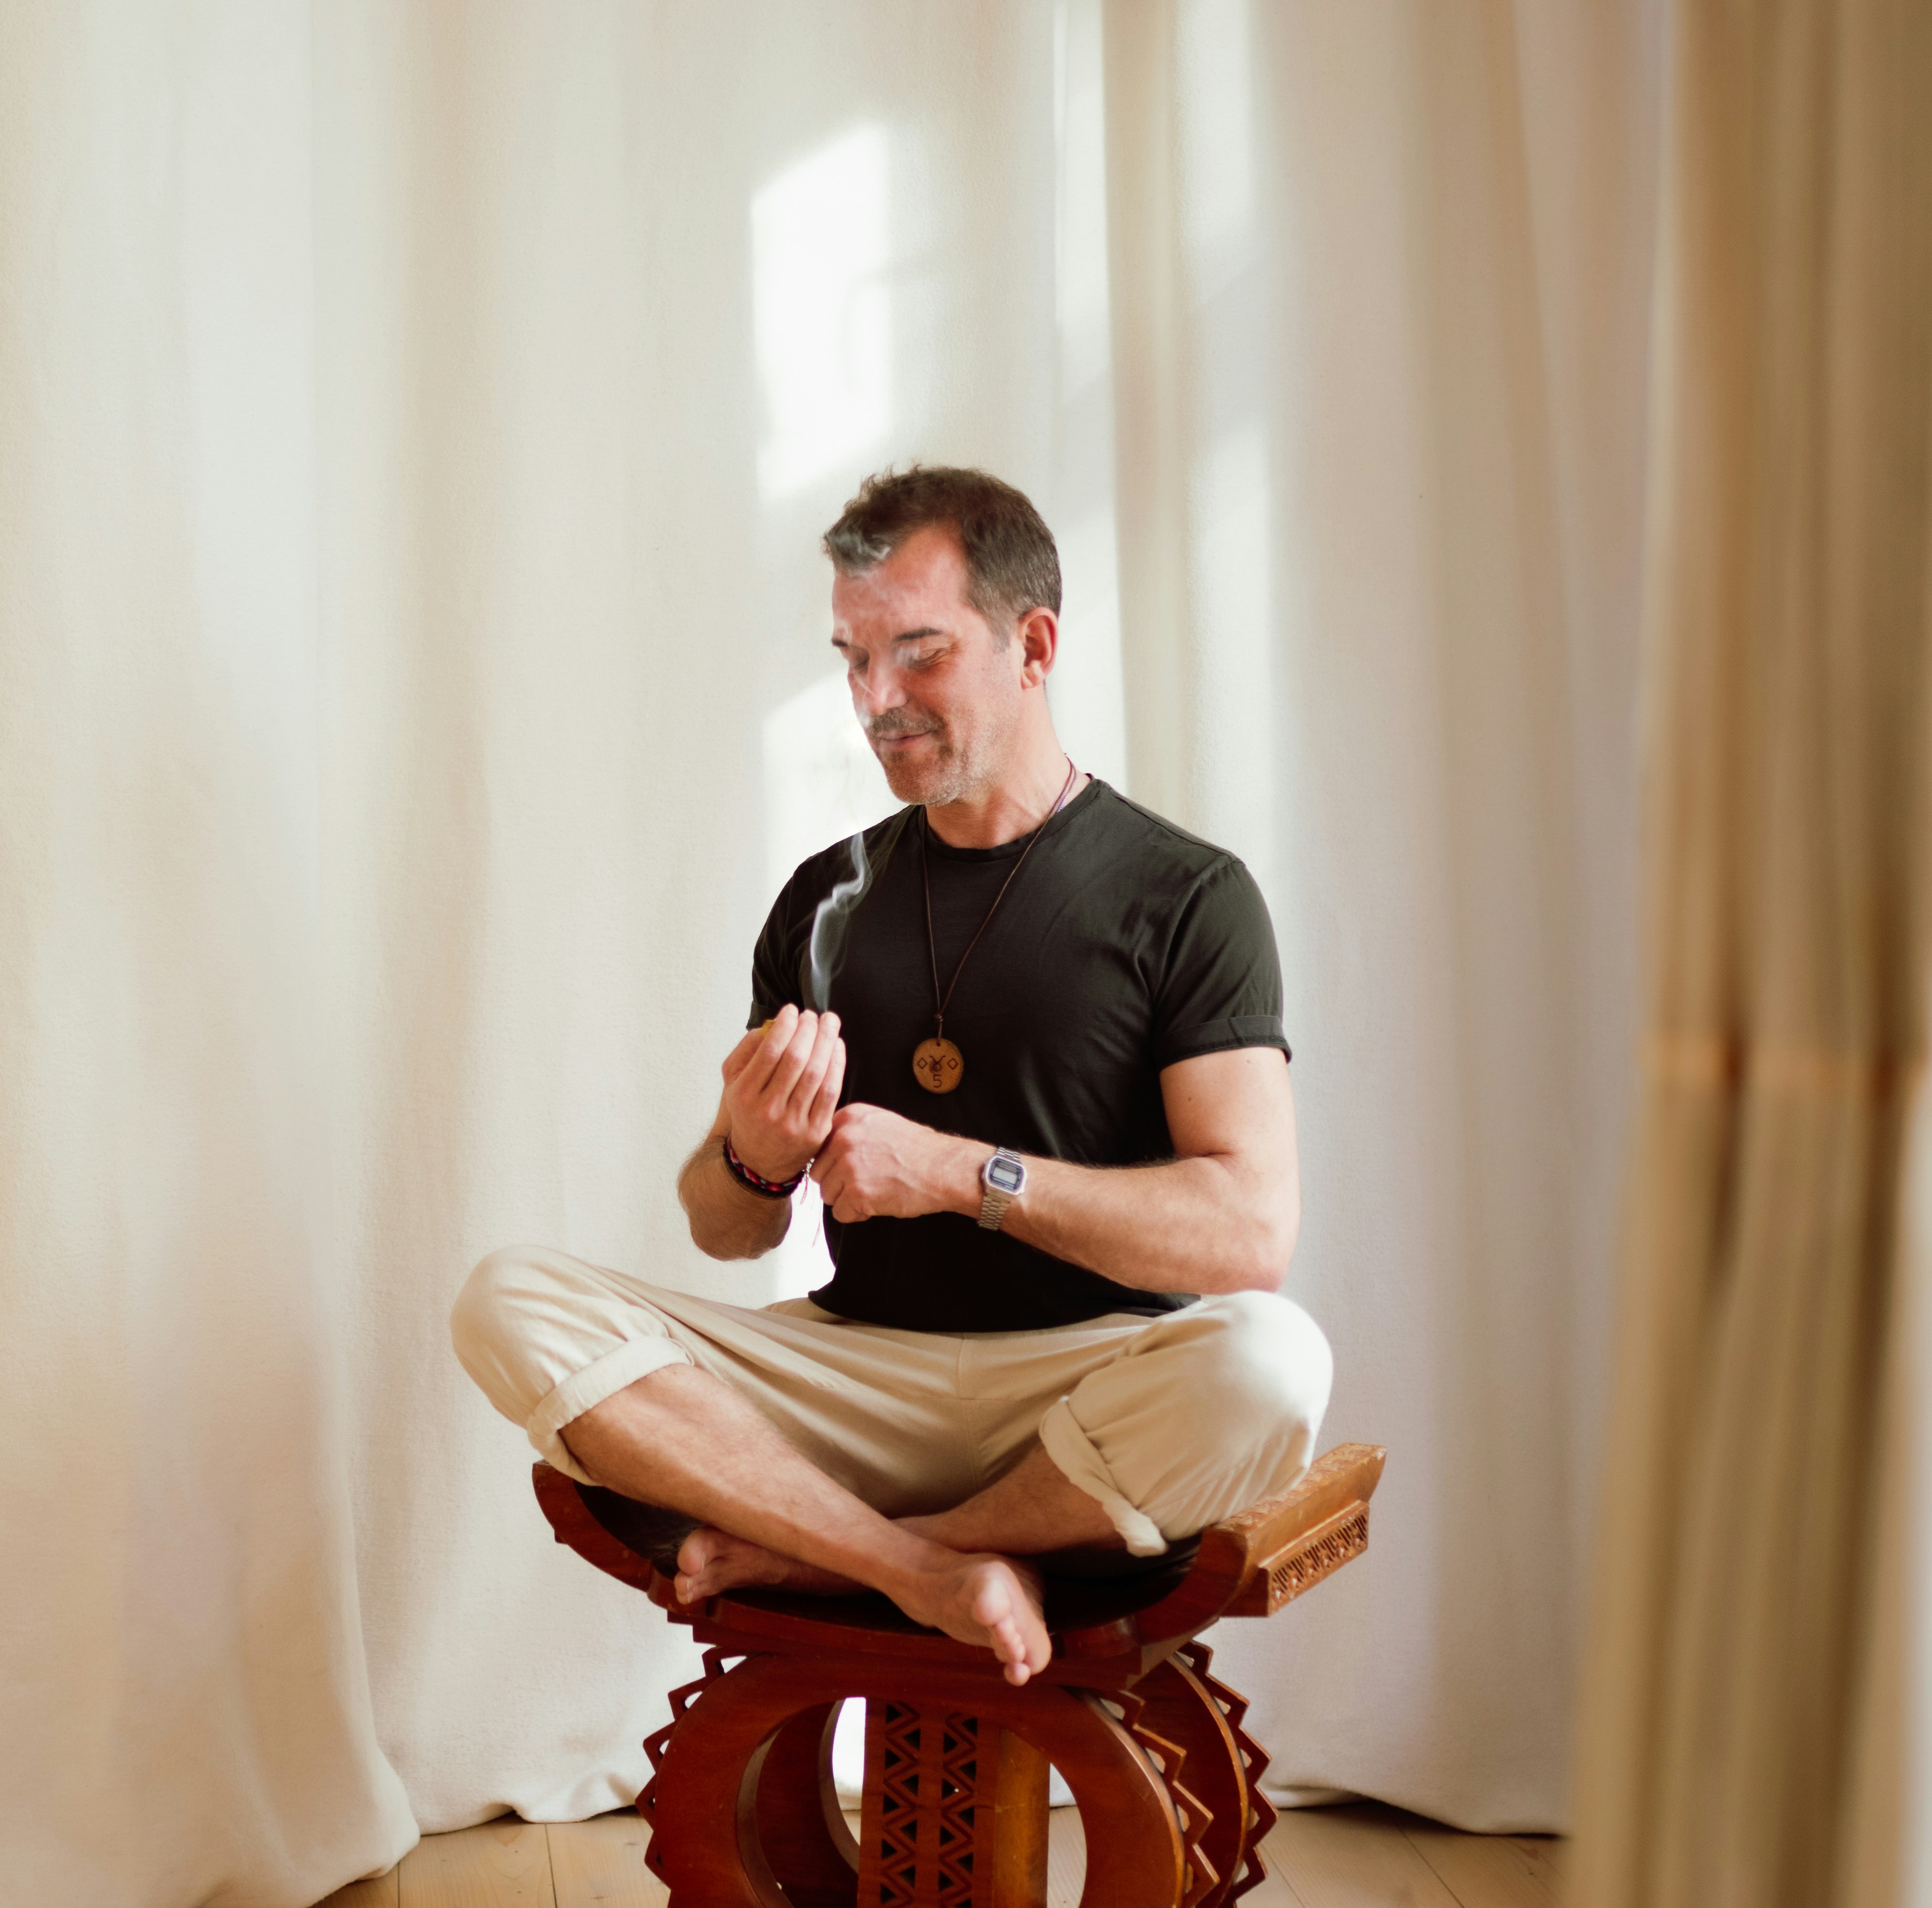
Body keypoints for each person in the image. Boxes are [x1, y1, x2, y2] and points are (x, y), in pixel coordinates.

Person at [451, 466, 1330, 1686]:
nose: (875, 701)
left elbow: (1249, 1235)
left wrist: (962, 1173)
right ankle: (922, 1567)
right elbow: (728, 1227)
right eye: (853, 658)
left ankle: (838, 1553)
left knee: (1274, 1360)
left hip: (1086, 1377)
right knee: (509, 1298)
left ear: (1034, 644)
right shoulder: (825, 897)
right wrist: (755, 1153)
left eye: (918, 655)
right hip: (855, 1368)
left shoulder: (1187, 894)